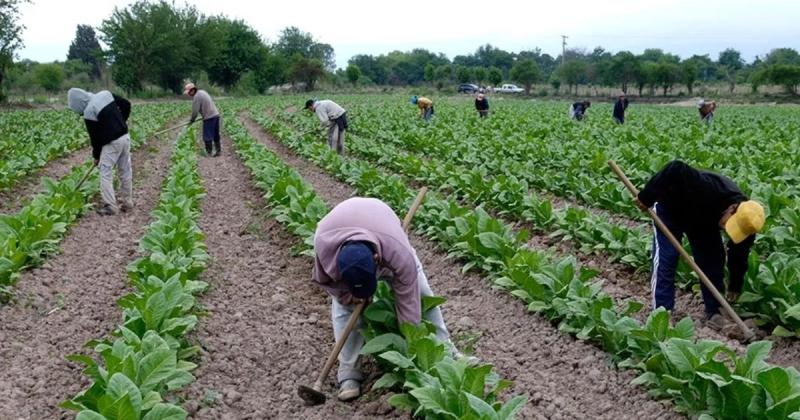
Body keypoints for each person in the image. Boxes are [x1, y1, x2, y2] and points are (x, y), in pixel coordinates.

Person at [312, 197, 459, 401]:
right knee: (343, 309)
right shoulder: (324, 246)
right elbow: (326, 282)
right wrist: (347, 295)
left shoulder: (396, 250)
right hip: (338, 230)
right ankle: (348, 373)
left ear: (376, 261)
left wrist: (413, 342)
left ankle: (447, 352)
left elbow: (408, 299)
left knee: (422, 293)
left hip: (382, 224)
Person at [635, 160, 765, 330]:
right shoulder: (707, 187)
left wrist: (735, 285)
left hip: (704, 220)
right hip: (672, 207)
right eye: (729, 224)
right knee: (667, 258)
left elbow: (738, 256)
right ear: (732, 208)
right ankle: (661, 314)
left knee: (713, 260)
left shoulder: (748, 223)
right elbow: (675, 167)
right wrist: (646, 197)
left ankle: (715, 311)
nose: (727, 230)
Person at [67, 88, 132, 216]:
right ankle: (128, 203)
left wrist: (97, 156)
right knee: (125, 170)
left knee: (105, 173)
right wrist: (121, 122)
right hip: (125, 137)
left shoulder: (89, 111)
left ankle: (111, 207)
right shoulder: (105, 94)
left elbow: (95, 139)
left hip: (112, 143)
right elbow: (126, 104)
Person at [184, 83, 221, 157]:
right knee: (215, 134)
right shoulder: (202, 92)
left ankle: (209, 152)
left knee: (207, 136)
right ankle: (218, 151)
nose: (189, 94)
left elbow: (195, 112)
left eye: (189, 92)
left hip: (209, 117)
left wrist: (192, 120)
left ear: (192, 90)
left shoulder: (196, 97)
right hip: (216, 115)